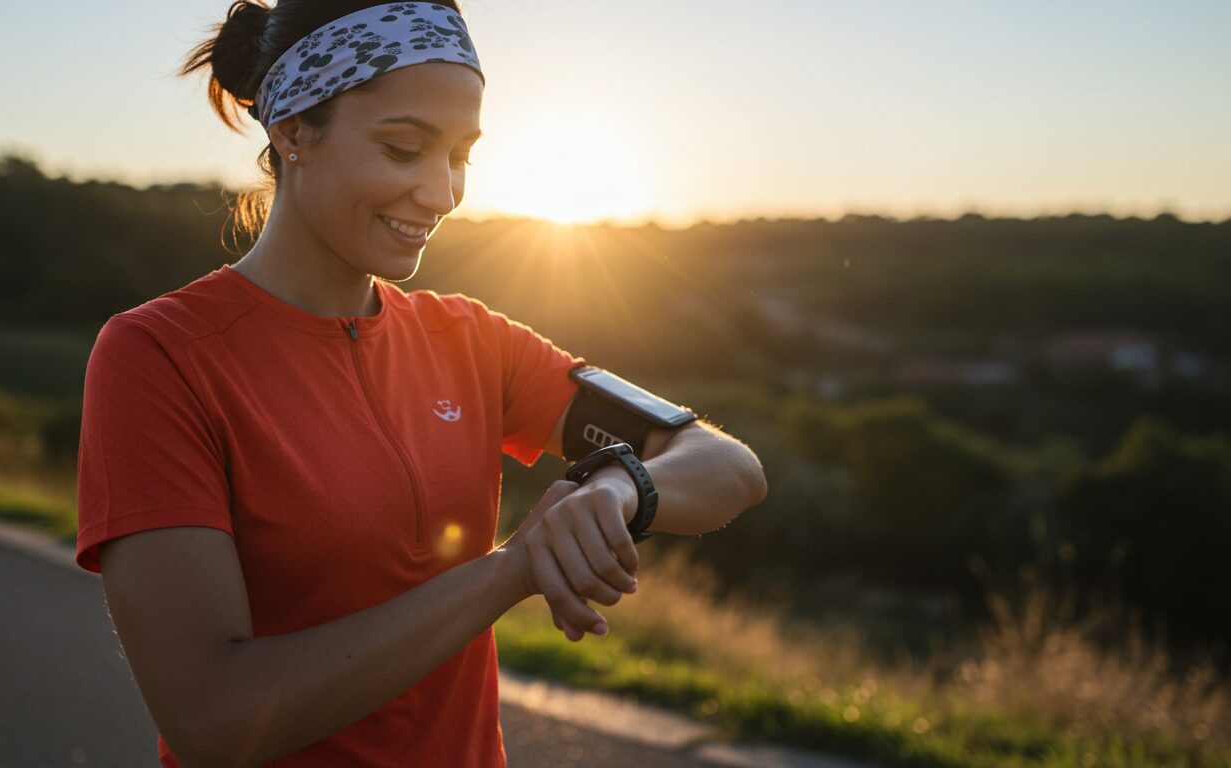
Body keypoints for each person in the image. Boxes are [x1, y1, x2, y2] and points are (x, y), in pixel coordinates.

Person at [74, 1, 768, 766]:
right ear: (293, 131)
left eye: (461, 156)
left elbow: (728, 467)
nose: (441, 194)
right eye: (404, 149)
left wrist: (617, 487)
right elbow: (215, 717)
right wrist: (512, 570)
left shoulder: (470, 340)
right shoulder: (160, 356)